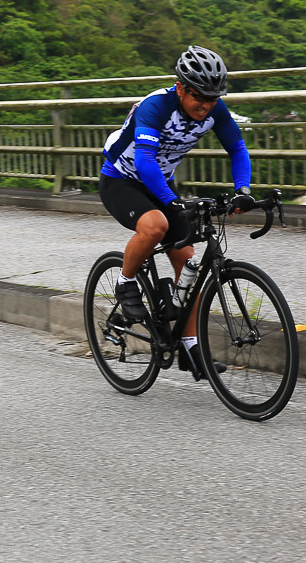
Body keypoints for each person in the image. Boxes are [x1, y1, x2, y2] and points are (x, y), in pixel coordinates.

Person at [98, 45, 253, 376]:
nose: (206, 105)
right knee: (154, 226)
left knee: (190, 264)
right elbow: (144, 161)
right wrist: (171, 202)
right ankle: (126, 282)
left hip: (160, 184)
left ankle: (191, 349)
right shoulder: (155, 106)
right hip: (122, 181)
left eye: (213, 98)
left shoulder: (214, 109)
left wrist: (243, 190)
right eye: (199, 96)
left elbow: (237, 148)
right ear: (181, 87)